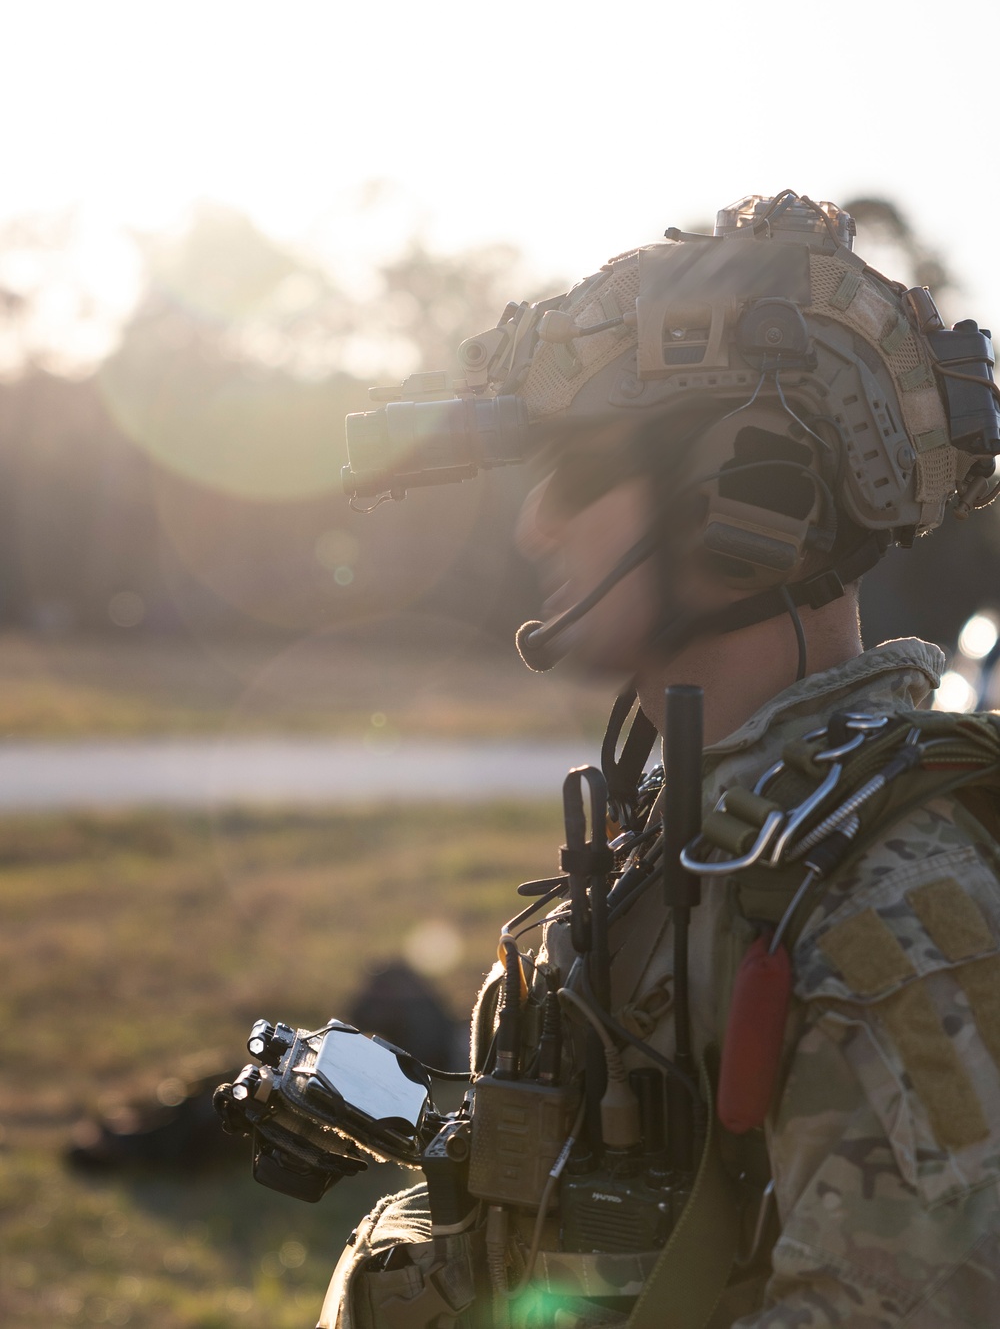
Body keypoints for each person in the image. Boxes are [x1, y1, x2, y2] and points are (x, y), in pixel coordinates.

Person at [323, 192, 1000, 1327]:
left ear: (744, 494)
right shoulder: (683, 846)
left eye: (578, 472)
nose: (536, 522)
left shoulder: (887, 909)